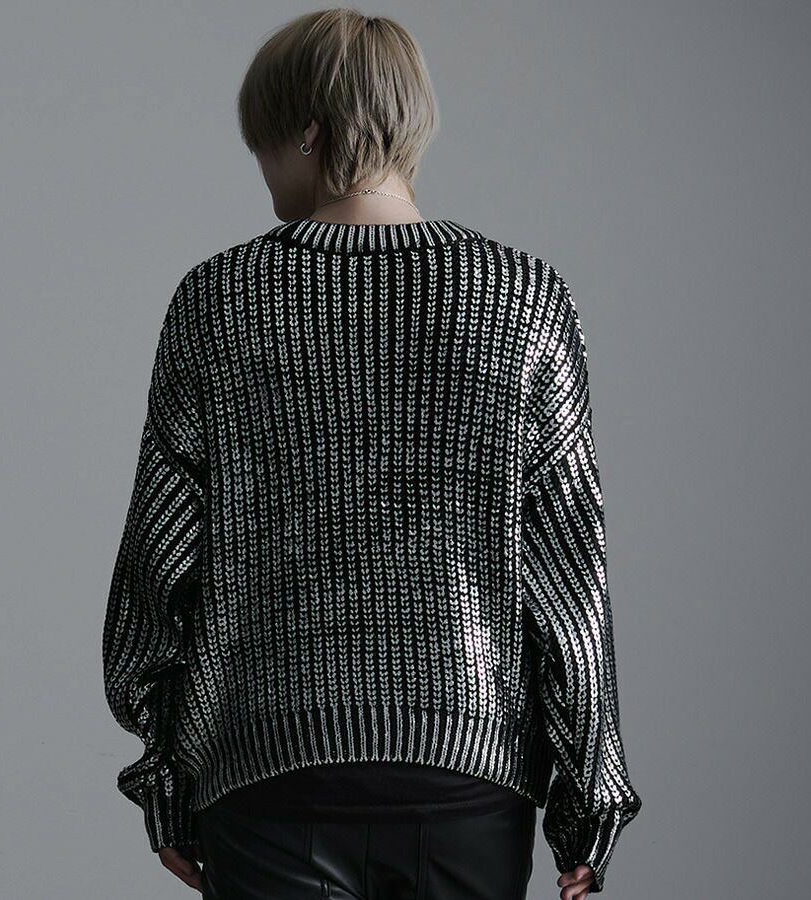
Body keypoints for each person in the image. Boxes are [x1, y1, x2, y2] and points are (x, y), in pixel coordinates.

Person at [101, 8, 642, 899]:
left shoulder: (219, 300)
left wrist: (165, 779)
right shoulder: (524, 299)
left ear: (308, 131)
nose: (260, 165)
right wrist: (592, 793)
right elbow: (569, 573)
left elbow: (158, 567)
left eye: (263, 141)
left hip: (265, 777)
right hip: (470, 780)